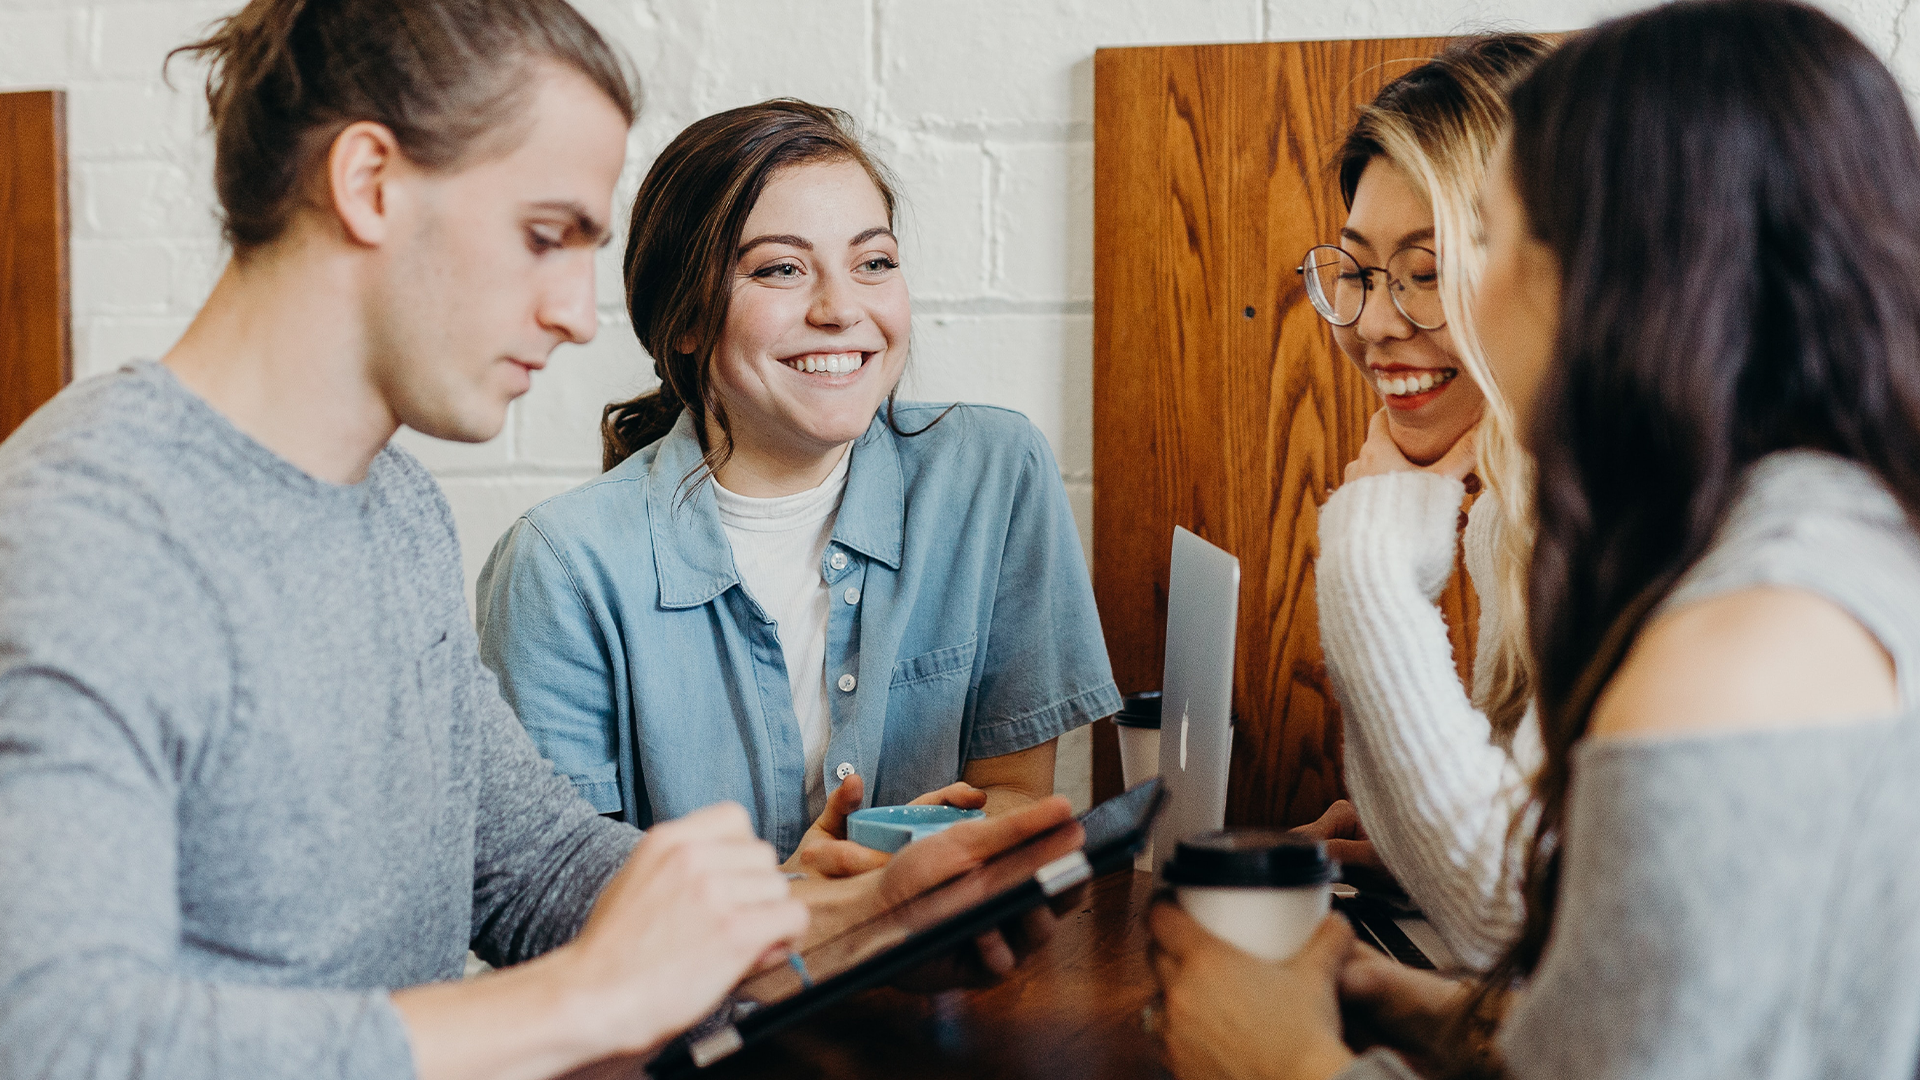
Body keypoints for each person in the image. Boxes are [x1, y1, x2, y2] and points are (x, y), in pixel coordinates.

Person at [0, 3, 1076, 1078]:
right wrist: (582, 1000)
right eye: (544, 235)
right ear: (369, 183)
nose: (575, 314)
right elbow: (55, 1036)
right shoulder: (87, 530)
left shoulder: (393, 508)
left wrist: (850, 927)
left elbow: (533, 868)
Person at [1151, 1, 1920, 1077]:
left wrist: (1279, 1062)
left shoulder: (1740, 644)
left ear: (1625, 272)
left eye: (1493, 236)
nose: (1424, 303)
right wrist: (1437, 1017)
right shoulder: (1817, 541)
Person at [475, 99, 1121, 876]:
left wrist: (895, 882)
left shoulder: (993, 473)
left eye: (873, 262)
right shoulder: (561, 566)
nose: (841, 308)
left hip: (937, 980)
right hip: (702, 997)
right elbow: (559, 898)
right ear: (682, 319)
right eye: (781, 268)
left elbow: (1014, 795)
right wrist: (805, 902)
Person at [1300, 35, 1550, 971]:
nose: (1371, 322)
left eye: (1428, 268)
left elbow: (1507, 916)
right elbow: (1526, 879)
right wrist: (1411, 837)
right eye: (1359, 271)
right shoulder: (1509, 514)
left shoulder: (1623, 520)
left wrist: (1366, 559)